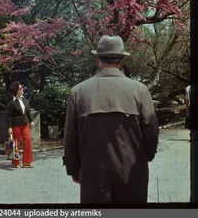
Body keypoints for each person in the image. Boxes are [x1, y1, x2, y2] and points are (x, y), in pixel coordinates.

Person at [64, 35, 159, 204]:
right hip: (132, 173)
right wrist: (146, 157)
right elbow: (151, 132)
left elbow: (70, 136)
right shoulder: (140, 90)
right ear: (122, 62)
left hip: (92, 175)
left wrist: (73, 169)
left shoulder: (78, 92)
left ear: (96, 60)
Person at [7, 81, 35, 168]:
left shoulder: (24, 99)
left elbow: (28, 111)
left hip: (25, 124)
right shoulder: (11, 103)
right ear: (16, 91)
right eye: (20, 88)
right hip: (16, 126)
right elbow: (9, 116)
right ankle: (16, 162)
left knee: (28, 141)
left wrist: (31, 121)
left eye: (22, 87)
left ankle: (27, 161)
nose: (22, 89)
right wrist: (9, 127)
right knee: (16, 143)